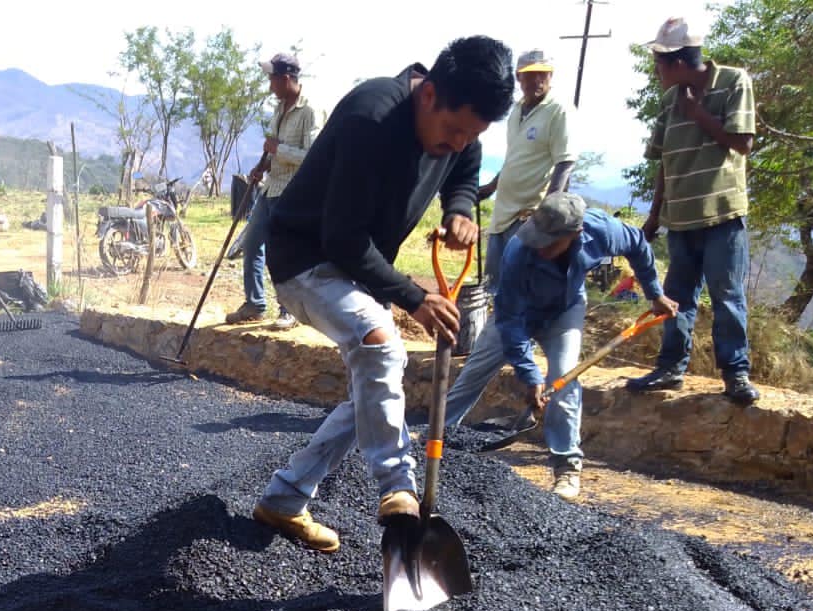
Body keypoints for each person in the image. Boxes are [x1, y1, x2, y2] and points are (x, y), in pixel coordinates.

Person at [251, 36, 515, 554]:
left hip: (360, 266)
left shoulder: (460, 129)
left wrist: (459, 209)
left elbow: (466, 168)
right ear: (429, 94)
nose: (459, 142)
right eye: (454, 130)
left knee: (374, 388)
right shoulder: (369, 117)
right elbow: (342, 238)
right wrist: (414, 296)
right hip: (304, 258)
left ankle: (284, 498)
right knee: (381, 343)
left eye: (472, 133)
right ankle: (399, 486)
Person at [443, 193, 678, 501]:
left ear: (575, 234)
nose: (540, 249)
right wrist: (529, 375)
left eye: (549, 243)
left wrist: (654, 293)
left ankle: (566, 467)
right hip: (519, 312)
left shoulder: (600, 231)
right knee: (474, 372)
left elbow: (637, 243)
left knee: (565, 379)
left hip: (564, 311)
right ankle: (436, 442)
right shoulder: (519, 250)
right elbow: (511, 320)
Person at [627, 16, 760, 405]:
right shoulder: (669, 102)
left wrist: (697, 111)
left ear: (679, 64)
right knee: (676, 298)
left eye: (659, 63)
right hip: (680, 219)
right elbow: (664, 162)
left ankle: (736, 374)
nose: (657, 72)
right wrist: (654, 216)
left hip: (721, 214)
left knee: (727, 295)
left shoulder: (734, 82)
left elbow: (743, 143)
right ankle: (671, 367)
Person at [226, 52, 322, 332]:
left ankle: (288, 311)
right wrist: (262, 167)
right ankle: (255, 304)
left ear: (286, 78)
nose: (269, 85)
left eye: (272, 79)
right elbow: (272, 149)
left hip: (294, 193)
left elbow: (313, 156)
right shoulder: (279, 109)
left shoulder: (310, 111)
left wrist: (278, 150)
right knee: (253, 243)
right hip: (271, 188)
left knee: (282, 253)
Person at [477, 49, 574, 297]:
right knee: (494, 290)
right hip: (502, 214)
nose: (537, 81)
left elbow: (565, 162)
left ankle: (517, 336)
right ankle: (496, 336)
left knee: (520, 292)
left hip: (527, 217)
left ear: (551, 76)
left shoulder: (559, 110)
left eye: (543, 74)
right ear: (519, 78)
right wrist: (490, 187)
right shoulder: (517, 111)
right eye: (530, 76)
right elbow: (515, 158)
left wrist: (548, 211)